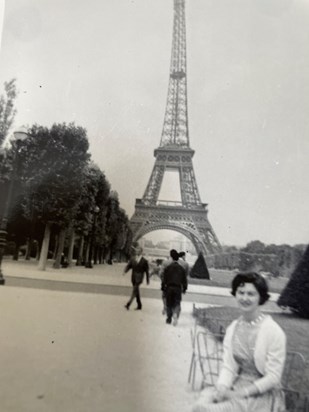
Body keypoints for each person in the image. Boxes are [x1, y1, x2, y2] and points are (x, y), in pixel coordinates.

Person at [192, 272, 286, 412]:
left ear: (261, 297)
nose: (244, 298)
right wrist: (222, 387)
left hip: (261, 395)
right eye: (241, 292)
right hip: (236, 386)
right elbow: (229, 366)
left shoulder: (273, 331)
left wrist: (241, 393)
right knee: (201, 404)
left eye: (251, 294)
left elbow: (273, 377)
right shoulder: (233, 328)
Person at [161, 249, 187, 326]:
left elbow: (164, 279)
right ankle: (175, 314)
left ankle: (169, 318)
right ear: (178, 259)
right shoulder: (182, 268)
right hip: (178, 288)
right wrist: (184, 288)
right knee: (177, 302)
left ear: (171, 258)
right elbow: (184, 280)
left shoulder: (168, 268)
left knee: (169, 303)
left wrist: (163, 287)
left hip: (169, 287)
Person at [123, 246, 149, 310]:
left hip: (139, 278)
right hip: (133, 277)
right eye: (136, 250)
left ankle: (128, 304)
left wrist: (147, 280)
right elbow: (129, 266)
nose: (137, 252)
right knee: (136, 291)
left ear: (141, 252)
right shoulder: (132, 259)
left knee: (134, 290)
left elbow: (147, 271)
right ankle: (139, 305)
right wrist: (125, 271)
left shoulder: (144, 261)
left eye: (139, 251)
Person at [159, 249, 178, 315]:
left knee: (164, 295)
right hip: (175, 282)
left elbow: (161, 273)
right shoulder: (179, 263)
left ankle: (165, 307)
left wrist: (162, 279)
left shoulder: (165, 262)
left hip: (166, 282)